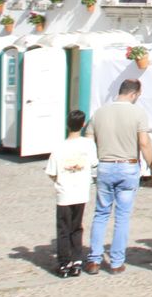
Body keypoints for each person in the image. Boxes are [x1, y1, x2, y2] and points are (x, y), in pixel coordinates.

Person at [84, 79, 152, 275]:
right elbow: (144, 143)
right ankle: (117, 262)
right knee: (122, 216)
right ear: (134, 94)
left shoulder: (99, 113)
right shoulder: (138, 113)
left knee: (101, 213)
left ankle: (94, 259)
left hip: (105, 165)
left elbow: (88, 141)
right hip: (127, 166)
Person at [44, 109, 96, 278]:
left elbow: (51, 171)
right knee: (77, 226)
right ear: (83, 124)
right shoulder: (88, 144)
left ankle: (64, 262)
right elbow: (94, 162)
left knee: (63, 228)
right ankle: (77, 261)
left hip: (65, 191)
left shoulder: (59, 147)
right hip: (81, 190)